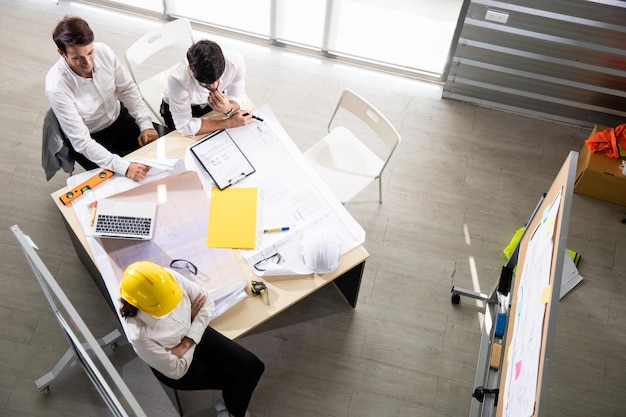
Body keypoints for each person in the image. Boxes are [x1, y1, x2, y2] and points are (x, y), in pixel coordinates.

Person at [119, 261, 264, 417]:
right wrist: (192, 325)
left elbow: (206, 301)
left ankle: (232, 410)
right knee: (232, 379)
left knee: (254, 367)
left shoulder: (165, 278)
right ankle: (234, 413)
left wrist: (186, 342)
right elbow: (176, 370)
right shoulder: (138, 334)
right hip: (183, 369)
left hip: (191, 336)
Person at [45, 16, 159, 182]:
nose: (88, 62)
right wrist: (124, 167)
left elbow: (127, 89)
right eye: (77, 58)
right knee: (123, 185)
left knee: (168, 147)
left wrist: (145, 124)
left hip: (120, 118)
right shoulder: (56, 87)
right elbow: (82, 142)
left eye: (90, 52)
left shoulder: (104, 51)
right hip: (91, 138)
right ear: (62, 54)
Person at [160, 39, 253, 136]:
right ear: (190, 70)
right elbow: (185, 127)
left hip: (209, 105)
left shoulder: (235, 61)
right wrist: (229, 123)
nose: (214, 86)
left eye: (218, 79)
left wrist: (229, 108)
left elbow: (238, 96)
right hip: (180, 108)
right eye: (207, 84)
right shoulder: (178, 81)